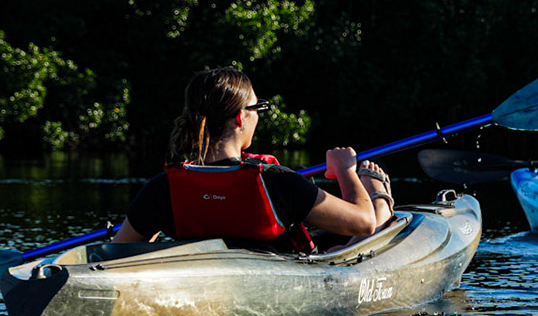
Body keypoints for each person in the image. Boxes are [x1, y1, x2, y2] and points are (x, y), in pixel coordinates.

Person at [112, 66, 393, 251]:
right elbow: (363, 223)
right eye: (257, 107)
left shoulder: (163, 187)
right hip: (279, 289)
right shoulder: (276, 181)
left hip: (210, 287)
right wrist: (346, 171)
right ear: (240, 117)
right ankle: (380, 196)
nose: (258, 115)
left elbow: (119, 251)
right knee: (373, 225)